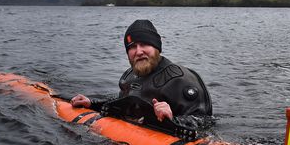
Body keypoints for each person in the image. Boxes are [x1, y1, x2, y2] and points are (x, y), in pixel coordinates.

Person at [70, 19, 212, 128]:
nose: (138, 52)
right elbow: (122, 102)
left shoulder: (182, 79)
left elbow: (206, 121)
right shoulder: (129, 76)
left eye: (144, 44)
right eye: (132, 47)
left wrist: (172, 119)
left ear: (157, 48)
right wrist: (92, 103)